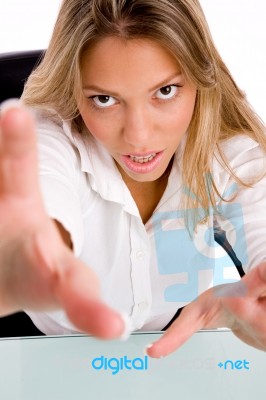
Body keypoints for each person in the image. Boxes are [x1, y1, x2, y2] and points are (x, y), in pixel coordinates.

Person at [0, 0, 266, 359]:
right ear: (74, 90)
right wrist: (37, 248)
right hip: (39, 349)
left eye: (165, 91)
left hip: (173, 347)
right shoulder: (50, 137)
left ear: (201, 80)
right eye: (105, 99)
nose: (139, 136)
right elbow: (43, 193)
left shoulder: (227, 151)